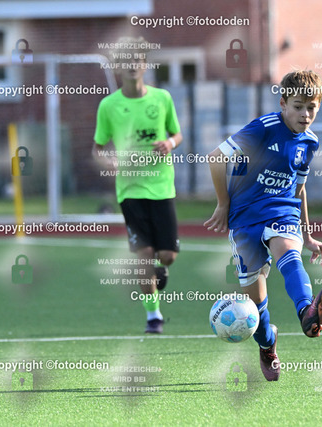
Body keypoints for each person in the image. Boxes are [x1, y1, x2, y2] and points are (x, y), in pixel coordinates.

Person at [204, 70, 322, 381]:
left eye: (312, 108)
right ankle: (268, 345)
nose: (305, 115)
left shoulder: (310, 142)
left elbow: (299, 189)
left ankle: (307, 312)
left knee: (289, 254)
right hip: (245, 217)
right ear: (283, 103)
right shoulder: (263, 128)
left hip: (282, 211)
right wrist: (223, 204)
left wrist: (307, 235)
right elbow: (215, 158)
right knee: (255, 307)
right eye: (298, 107)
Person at [92, 37, 183, 333]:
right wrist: (108, 162)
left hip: (161, 186)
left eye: (137, 60)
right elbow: (98, 148)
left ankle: (161, 266)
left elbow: (177, 134)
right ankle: (153, 316)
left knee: (167, 255)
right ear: (118, 67)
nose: (131, 65)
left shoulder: (162, 98)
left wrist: (169, 143)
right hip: (130, 190)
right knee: (143, 255)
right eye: (125, 61)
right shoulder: (109, 105)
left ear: (144, 65)